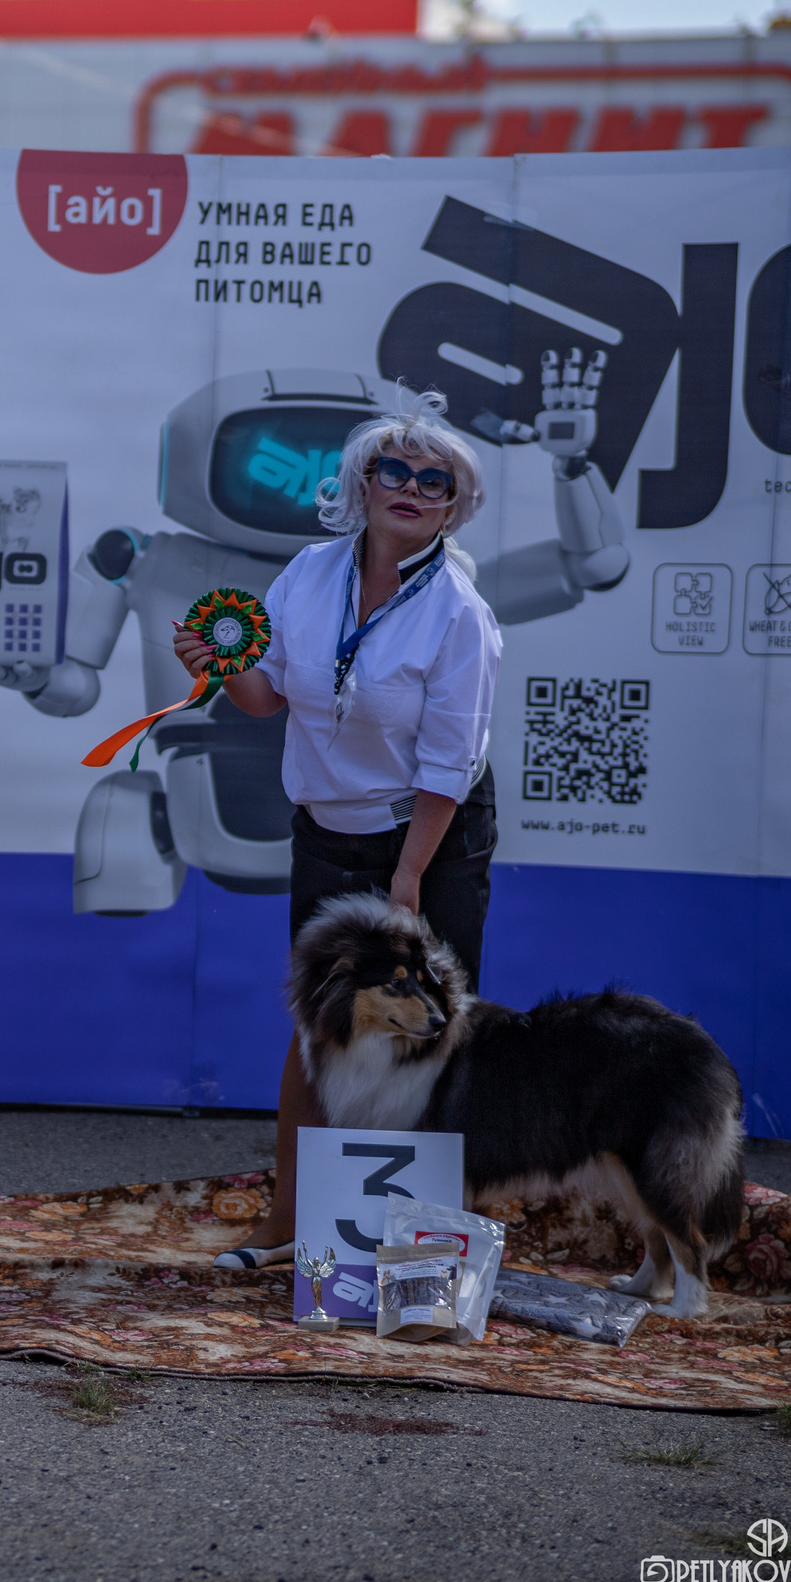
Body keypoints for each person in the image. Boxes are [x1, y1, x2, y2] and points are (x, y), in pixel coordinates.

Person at [180, 390, 503, 1265]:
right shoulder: (308, 574)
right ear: (361, 483)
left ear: (453, 507)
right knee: (318, 1031)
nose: (411, 486)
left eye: (433, 481)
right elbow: (266, 697)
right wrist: (219, 664)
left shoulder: (461, 615)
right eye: (393, 470)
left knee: (428, 1032)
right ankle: (286, 1221)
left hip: (428, 841)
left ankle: (426, 1242)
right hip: (326, 832)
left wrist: (407, 881)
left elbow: (450, 767)